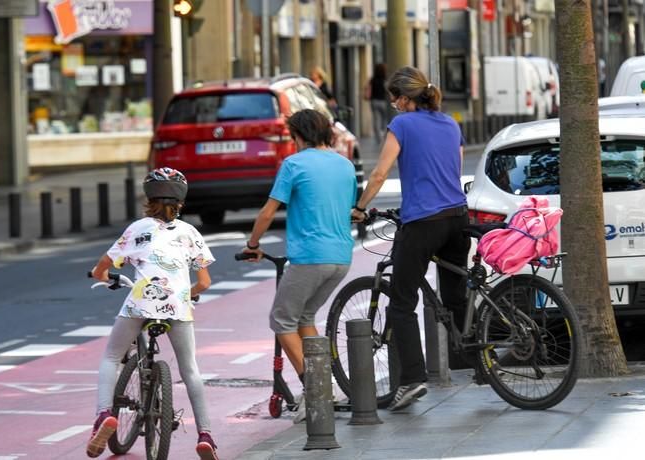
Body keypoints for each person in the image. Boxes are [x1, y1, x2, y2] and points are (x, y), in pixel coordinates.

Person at [351, 66, 470, 411]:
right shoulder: (450, 123)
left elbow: (379, 173)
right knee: (455, 296)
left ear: (404, 99)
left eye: (394, 100)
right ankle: (479, 359)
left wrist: (360, 208)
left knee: (402, 304)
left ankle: (412, 380)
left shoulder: (402, 124)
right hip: (458, 219)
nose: (394, 106)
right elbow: (452, 167)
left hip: (423, 222)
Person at [87, 167, 219, 460]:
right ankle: (206, 435)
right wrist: (188, 294)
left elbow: (101, 269)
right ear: (181, 201)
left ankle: (104, 415)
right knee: (190, 369)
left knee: (111, 356)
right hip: (178, 306)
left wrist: (105, 277)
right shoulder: (190, 233)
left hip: (140, 303)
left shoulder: (137, 229)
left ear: (148, 198)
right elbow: (205, 282)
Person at [243, 109, 356, 422]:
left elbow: (267, 213)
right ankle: (324, 388)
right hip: (342, 256)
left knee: (281, 321)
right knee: (305, 317)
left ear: (300, 136)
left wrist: (252, 245)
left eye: (292, 136)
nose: (292, 143)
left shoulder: (294, 164)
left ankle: (318, 388)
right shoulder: (344, 164)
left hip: (309, 256)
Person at [363, 63, 389, 143]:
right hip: (383, 102)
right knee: (385, 120)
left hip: (374, 101)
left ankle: (379, 139)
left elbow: (367, 88)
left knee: (376, 120)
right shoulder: (385, 79)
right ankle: (385, 136)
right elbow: (388, 91)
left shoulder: (372, 80)